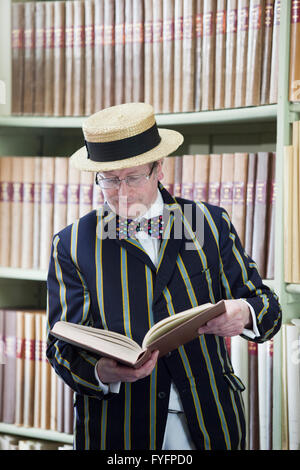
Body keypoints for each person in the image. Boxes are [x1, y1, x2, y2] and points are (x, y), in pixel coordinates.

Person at [46, 102, 281, 450]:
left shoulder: (209, 222)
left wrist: (244, 314)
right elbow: (60, 348)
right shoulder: (72, 243)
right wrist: (103, 373)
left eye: (133, 177)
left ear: (159, 168)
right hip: (120, 430)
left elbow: (268, 308)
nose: (121, 193)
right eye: (109, 180)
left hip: (212, 420)